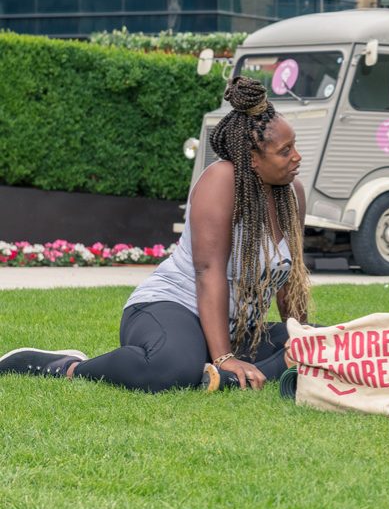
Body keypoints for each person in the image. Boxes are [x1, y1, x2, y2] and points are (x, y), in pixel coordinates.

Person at [0, 76, 310, 392]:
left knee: (326, 342)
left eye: (294, 146)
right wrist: (224, 355)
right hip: (172, 308)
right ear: (252, 158)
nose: (297, 156)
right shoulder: (222, 179)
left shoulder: (292, 194)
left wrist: (302, 332)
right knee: (170, 368)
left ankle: (224, 378)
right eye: (285, 151)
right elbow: (208, 270)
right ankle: (63, 367)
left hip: (236, 328)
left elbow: (290, 276)